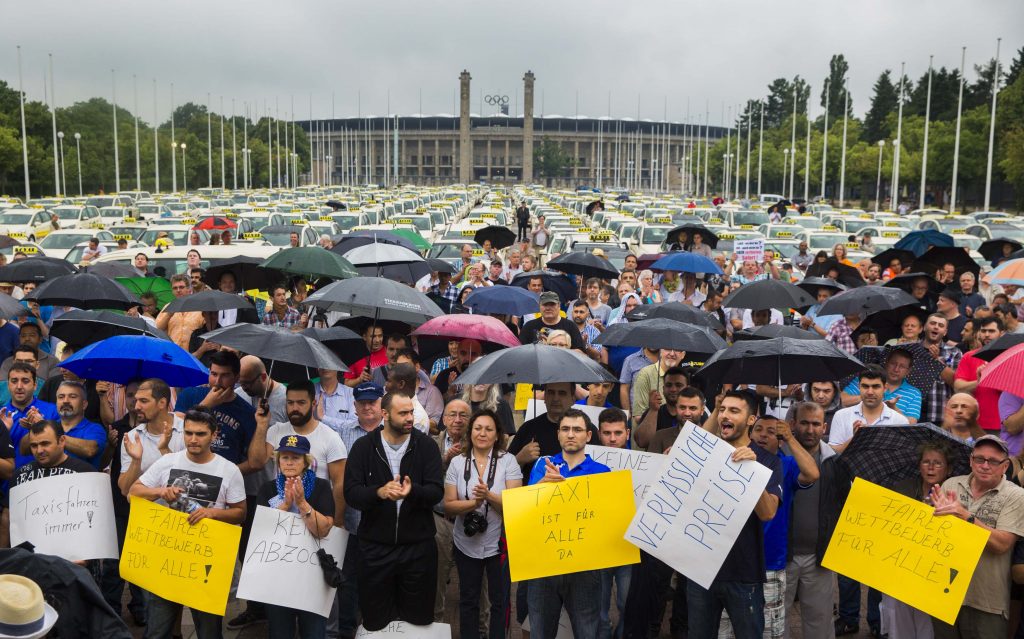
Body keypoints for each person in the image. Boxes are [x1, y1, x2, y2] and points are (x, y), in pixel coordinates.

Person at [129, 408, 246, 639]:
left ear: (214, 435)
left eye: (200, 434)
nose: (193, 439)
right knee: (157, 631)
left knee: (209, 632)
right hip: (166, 561)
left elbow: (240, 513)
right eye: (189, 433)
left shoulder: (229, 470)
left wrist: (211, 513)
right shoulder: (168, 462)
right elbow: (133, 494)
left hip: (205, 565)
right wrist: (162, 491)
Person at [342, 393, 443, 630]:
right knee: (376, 622)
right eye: (403, 413)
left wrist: (412, 492)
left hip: (417, 549)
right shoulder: (364, 447)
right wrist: (379, 493)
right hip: (375, 550)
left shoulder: (426, 446)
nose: (411, 418)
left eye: (411, 412)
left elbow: (436, 492)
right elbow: (351, 493)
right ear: (385, 415)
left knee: (418, 621)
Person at [687, 391, 782, 639]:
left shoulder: (768, 461)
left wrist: (751, 471)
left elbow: (768, 512)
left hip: (744, 573)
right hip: (700, 570)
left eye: (734, 411)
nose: (725, 416)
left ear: (751, 420)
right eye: (722, 410)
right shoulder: (703, 453)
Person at [726, 415, 818, 639]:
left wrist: (790, 438)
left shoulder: (784, 464)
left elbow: (813, 473)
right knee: (726, 630)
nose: (763, 435)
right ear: (750, 431)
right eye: (758, 429)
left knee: (768, 630)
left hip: (770, 561)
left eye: (771, 432)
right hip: (734, 562)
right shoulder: (731, 460)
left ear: (780, 440)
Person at [526, 409, 610, 638]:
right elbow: (525, 511)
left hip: (584, 568)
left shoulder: (603, 473)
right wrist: (543, 484)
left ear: (589, 436)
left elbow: (607, 521)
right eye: (565, 429)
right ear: (558, 434)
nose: (571, 434)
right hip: (544, 565)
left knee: (587, 631)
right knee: (540, 632)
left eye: (577, 429)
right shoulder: (542, 466)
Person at [931, 435, 1024, 637]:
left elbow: (1002, 544)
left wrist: (966, 517)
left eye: (993, 461)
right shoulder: (950, 485)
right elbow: (933, 538)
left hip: (987, 600)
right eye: (979, 459)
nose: (984, 465)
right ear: (971, 460)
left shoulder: (1016, 495)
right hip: (944, 594)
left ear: (1005, 466)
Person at [443, 409, 522, 639]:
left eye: (489, 429)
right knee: (468, 599)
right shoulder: (458, 463)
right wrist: (473, 504)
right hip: (465, 542)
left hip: (499, 544)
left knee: (498, 601)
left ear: (497, 434)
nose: (482, 433)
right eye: (478, 428)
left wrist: (489, 497)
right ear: (470, 432)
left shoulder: (508, 461)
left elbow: (514, 505)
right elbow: (448, 506)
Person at [258, 434, 335, 639]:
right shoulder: (267, 489)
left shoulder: (320, 487)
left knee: (314, 632)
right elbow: (262, 531)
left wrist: (302, 504)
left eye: (296, 458)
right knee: (280, 631)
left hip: (311, 574)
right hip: (277, 574)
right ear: (278, 460)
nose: (290, 462)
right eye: (285, 457)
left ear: (306, 462)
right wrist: (284, 505)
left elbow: (324, 529)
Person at [878, 441, 954, 639]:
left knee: (927, 628)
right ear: (919, 465)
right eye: (926, 461)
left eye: (937, 463)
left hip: (931, 576)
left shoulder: (954, 493)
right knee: (898, 625)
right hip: (899, 569)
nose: (930, 467)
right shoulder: (902, 488)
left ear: (948, 469)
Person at [329, 382, 385, 639]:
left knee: (378, 576)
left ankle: (376, 626)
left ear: (382, 405)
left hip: (382, 520)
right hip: (351, 518)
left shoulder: (391, 433)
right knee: (348, 577)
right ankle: (347, 628)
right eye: (362, 402)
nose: (367, 406)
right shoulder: (342, 431)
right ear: (354, 406)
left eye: (372, 401)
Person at [249, 380, 347, 522]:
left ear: (313, 404)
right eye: (290, 403)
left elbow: (339, 485)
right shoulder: (276, 430)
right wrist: (262, 424)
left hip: (315, 516)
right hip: (278, 515)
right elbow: (255, 463)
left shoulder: (331, 438)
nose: (295, 408)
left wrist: (337, 524)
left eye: (301, 403)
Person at [783, 401, 840, 639]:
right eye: (804, 423)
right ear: (792, 424)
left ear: (824, 427)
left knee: (820, 622)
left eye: (816, 424)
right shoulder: (775, 455)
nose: (809, 429)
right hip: (779, 557)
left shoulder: (833, 462)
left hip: (819, 557)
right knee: (775, 620)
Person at [595, 408, 633, 638]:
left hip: (628, 545)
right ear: (598, 433)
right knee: (598, 607)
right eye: (607, 433)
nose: (612, 438)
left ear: (627, 433)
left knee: (627, 601)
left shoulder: (643, 462)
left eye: (617, 433)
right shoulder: (589, 463)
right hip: (599, 546)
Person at [830, 365, 910, 453]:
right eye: (865, 386)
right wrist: (856, 438)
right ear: (859, 386)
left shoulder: (900, 422)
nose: (870, 392)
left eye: (875, 387)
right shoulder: (841, 416)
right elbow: (831, 454)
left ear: (885, 388)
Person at [3, 363, 60, 469]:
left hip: (44, 477)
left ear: (35, 385)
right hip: (9, 481)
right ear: (8, 385)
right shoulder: (1, 414)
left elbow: (62, 446)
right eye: (14, 381)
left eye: (25, 381)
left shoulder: (53, 410)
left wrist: (42, 425)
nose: (19, 386)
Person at [840, 348, 922, 423]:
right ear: (886, 363)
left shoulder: (914, 393)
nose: (896, 369)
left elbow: (911, 425)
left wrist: (894, 408)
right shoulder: (865, 380)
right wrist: (869, 396)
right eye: (893, 363)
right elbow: (841, 400)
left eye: (902, 366)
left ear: (908, 371)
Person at [954, 316, 1005, 432]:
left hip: (1002, 425)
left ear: (1002, 333)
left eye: (991, 331)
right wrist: (979, 381)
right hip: (972, 424)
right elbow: (958, 387)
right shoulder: (969, 356)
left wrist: (996, 377)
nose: (986, 334)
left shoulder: (1010, 357)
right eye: (983, 331)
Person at [40, 380, 106, 469]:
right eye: (61, 397)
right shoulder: (50, 425)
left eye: (72, 397)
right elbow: (24, 450)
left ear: (84, 404)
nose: (65, 401)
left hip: (83, 481)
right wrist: (37, 426)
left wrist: (49, 434)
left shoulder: (95, 429)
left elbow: (90, 450)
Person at [12, 419, 96, 486]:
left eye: (45, 444)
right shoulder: (20, 475)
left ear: (62, 441)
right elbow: (8, 507)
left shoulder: (85, 472)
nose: (39, 450)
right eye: (34, 445)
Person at [633, 366, 692, 450]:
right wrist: (653, 410)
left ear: (687, 388)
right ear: (663, 389)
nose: (673, 389)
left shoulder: (696, 414)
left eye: (678, 385)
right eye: (669, 385)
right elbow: (642, 442)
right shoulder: (653, 411)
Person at [630, 348, 688, 429]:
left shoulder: (684, 378)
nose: (672, 354)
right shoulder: (645, 374)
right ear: (660, 351)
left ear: (683, 355)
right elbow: (638, 417)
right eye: (667, 348)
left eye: (677, 350)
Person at [155, 274, 206, 351]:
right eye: (175, 288)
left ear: (189, 289)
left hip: (194, 354)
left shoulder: (200, 307)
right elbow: (157, 329)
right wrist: (168, 315)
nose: (178, 290)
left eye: (181, 287)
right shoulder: (168, 307)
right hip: (173, 353)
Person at [519, 292, 585, 350]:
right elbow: (520, 350)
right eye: (545, 304)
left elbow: (580, 352)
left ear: (559, 305)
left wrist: (560, 351)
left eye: (552, 304)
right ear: (539, 306)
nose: (548, 308)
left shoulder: (571, 326)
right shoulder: (529, 326)